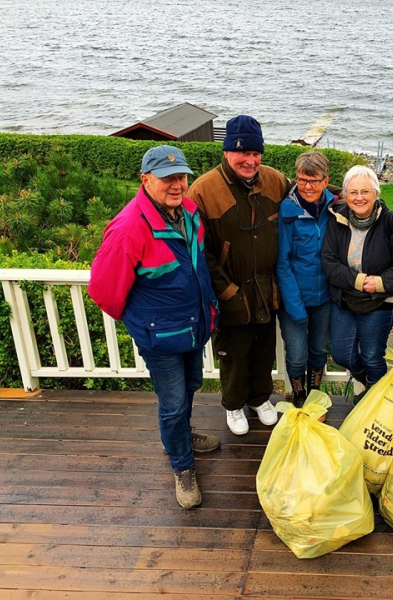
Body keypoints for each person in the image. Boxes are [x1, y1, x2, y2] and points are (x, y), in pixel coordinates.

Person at [88, 145, 219, 509]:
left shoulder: (189, 211)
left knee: (191, 385)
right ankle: (182, 466)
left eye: (181, 177)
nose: (177, 185)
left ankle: (181, 437)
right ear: (146, 179)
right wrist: (143, 323)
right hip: (160, 337)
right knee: (173, 403)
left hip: (193, 327)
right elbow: (103, 291)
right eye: (167, 178)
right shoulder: (129, 227)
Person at [187, 115, 288, 436]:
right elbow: (200, 252)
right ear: (227, 151)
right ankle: (232, 405)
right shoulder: (203, 190)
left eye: (256, 153)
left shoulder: (274, 180)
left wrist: (350, 201)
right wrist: (226, 290)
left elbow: (310, 196)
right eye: (242, 153)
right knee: (233, 353)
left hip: (267, 287)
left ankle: (260, 399)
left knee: (263, 349)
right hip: (229, 290)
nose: (250, 160)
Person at [321, 165, 393, 400]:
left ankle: (376, 402)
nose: (359, 198)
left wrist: (379, 283)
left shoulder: (392, 222)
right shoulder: (337, 219)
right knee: (342, 355)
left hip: (379, 301)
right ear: (345, 194)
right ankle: (374, 389)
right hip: (346, 299)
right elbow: (329, 262)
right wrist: (359, 281)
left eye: (365, 192)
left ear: (376, 194)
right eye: (353, 192)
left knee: (372, 355)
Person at [276, 152, 335, 405]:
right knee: (298, 354)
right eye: (302, 180)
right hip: (295, 297)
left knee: (319, 350)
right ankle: (298, 395)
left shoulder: (335, 207)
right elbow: (282, 262)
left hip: (326, 297)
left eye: (314, 181)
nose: (307, 187)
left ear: (325, 181)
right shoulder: (287, 210)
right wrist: (294, 305)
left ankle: (315, 394)